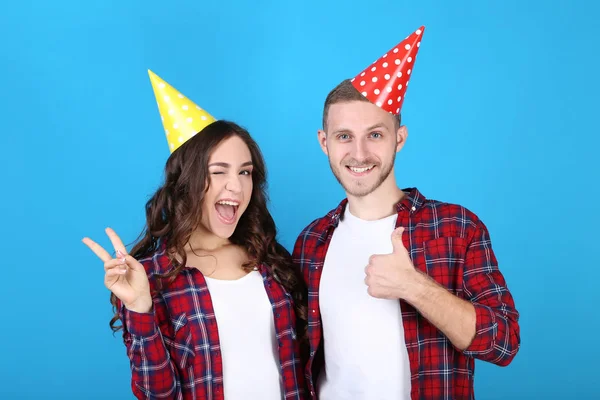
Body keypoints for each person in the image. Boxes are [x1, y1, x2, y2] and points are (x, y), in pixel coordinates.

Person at [292, 26, 520, 400]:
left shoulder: (456, 227)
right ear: (324, 143)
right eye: (344, 136)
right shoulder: (311, 242)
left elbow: (504, 343)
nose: (360, 153)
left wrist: (414, 286)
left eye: (376, 135)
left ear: (400, 138)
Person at [82, 71, 307, 400]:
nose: (236, 185)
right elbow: (157, 394)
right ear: (188, 181)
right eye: (219, 172)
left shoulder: (272, 262)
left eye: (245, 172)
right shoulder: (153, 275)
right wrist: (141, 309)